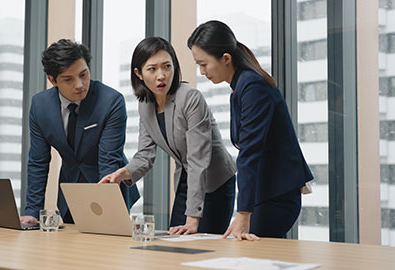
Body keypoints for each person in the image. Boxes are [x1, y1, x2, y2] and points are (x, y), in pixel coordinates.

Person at [188, 20, 314, 240]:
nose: (201, 71)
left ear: (226, 58)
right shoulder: (240, 87)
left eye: (204, 64)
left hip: (276, 195)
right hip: (264, 194)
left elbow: (249, 152)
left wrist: (243, 213)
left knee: (249, 254)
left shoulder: (252, 86)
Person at [99, 37, 237, 235]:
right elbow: (145, 155)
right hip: (185, 180)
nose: (161, 75)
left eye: (167, 66)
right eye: (152, 69)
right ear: (138, 73)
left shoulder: (190, 98)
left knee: (201, 244)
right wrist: (123, 173)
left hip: (215, 182)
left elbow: (199, 159)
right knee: (175, 243)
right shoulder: (145, 106)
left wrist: (192, 219)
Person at [20, 39, 139, 224]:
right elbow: (38, 161)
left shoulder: (111, 101)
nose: (80, 85)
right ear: (52, 80)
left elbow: (109, 160)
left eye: (83, 74)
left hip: (109, 188)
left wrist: (105, 210)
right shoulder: (40, 106)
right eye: (68, 79)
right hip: (69, 191)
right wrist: (32, 211)